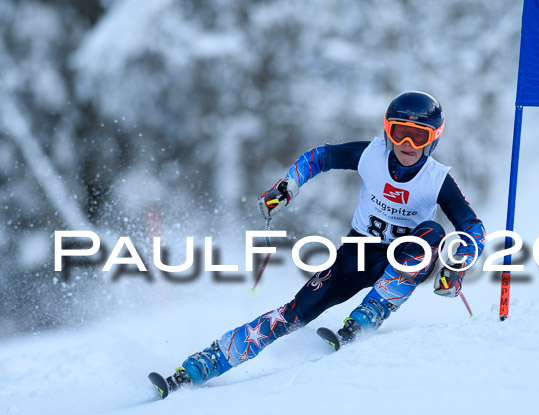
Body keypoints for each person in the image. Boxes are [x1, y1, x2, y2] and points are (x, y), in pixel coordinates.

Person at [163, 91, 486, 390]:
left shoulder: (436, 178)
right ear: (387, 130)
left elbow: (473, 228)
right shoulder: (370, 155)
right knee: (293, 312)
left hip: (404, 259)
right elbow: (319, 157)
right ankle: (207, 362)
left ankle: (369, 313)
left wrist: (457, 263)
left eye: (419, 136)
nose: (407, 143)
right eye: (399, 131)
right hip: (357, 254)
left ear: (434, 138)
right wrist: (287, 186)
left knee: (433, 232)